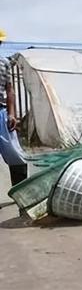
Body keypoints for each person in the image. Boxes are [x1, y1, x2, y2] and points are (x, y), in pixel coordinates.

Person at [0, 29, 28, 188]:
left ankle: (21, 192)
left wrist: (12, 114)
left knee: (15, 155)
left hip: (2, 114)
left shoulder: (4, 63)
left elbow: (10, 90)